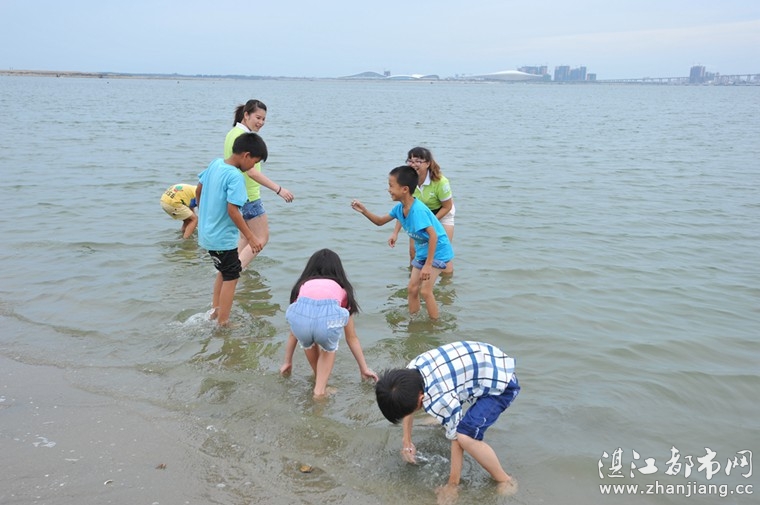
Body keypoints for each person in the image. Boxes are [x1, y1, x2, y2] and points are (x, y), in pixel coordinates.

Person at [375, 341, 520, 502]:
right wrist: (407, 441)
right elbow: (408, 406)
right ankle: (446, 419)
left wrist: (452, 485)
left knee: (465, 436)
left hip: (502, 384)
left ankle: (504, 479)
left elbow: (457, 441)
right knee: (448, 416)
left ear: (422, 398)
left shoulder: (441, 399)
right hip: (484, 363)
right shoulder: (409, 373)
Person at [351, 165, 454, 319]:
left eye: (391, 186)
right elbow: (380, 221)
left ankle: (435, 325)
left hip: (438, 251)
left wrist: (428, 265)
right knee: (412, 289)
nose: (389, 190)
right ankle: (414, 322)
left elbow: (434, 236)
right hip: (423, 251)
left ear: (405, 189)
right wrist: (364, 211)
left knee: (425, 291)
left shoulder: (418, 211)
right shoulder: (400, 208)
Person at [279, 248, 378, 398]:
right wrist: (364, 368)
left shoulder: (301, 287)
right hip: (325, 325)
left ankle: (319, 382)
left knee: (308, 341)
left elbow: (294, 331)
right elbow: (351, 338)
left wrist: (287, 361)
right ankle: (319, 392)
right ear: (338, 270)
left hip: (301, 326)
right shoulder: (342, 290)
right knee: (329, 348)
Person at [196, 132, 268, 326]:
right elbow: (233, 211)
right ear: (246, 155)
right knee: (232, 276)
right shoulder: (235, 176)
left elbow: (198, 189)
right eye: (254, 162)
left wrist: (204, 213)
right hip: (222, 237)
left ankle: (215, 310)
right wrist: (251, 237)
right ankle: (223, 321)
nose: (252, 167)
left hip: (207, 233)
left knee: (225, 270)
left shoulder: (215, 164)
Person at [223, 99, 294, 270]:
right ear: (246, 115)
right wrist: (279, 189)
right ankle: (233, 274)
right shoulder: (243, 137)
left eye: (263, 119)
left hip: (235, 195)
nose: (261, 122)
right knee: (261, 238)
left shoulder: (232, 133)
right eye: (258, 117)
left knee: (245, 238)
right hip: (249, 196)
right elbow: (251, 172)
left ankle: (232, 272)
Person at [390, 147, 456, 274]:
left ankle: (446, 284)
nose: (413, 164)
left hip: (442, 213)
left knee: (442, 256)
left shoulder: (441, 182)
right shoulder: (408, 182)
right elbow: (404, 210)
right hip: (418, 214)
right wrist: (395, 233)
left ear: (428, 163)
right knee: (413, 252)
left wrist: (430, 222)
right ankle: (414, 279)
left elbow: (447, 206)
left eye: (418, 161)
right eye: (410, 161)